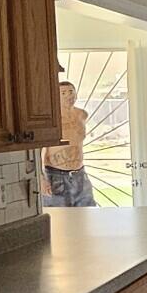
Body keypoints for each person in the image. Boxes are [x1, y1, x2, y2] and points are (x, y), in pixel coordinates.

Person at [41, 77, 93, 207]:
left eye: (71, 91)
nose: (68, 95)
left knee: (88, 214)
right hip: (56, 175)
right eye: (63, 93)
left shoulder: (82, 115)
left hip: (80, 174)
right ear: (55, 97)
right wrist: (42, 178)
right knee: (60, 219)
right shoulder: (49, 119)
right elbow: (39, 150)